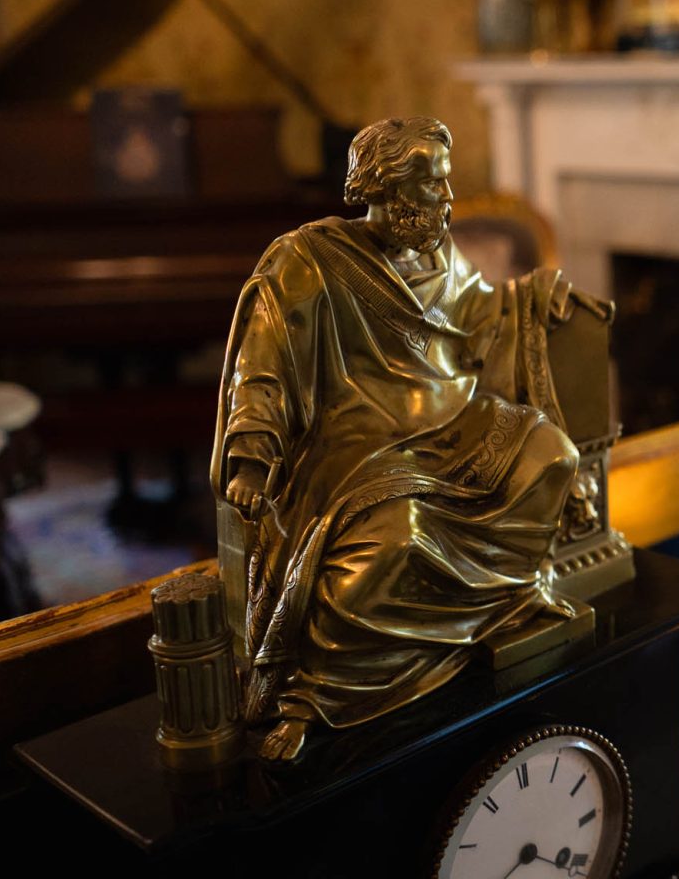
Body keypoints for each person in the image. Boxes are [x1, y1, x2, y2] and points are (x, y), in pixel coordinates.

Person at [212, 117, 607, 761]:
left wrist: (534, 296)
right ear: (385, 188)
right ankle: (316, 695)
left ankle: (505, 606)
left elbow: (484, 312)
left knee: (550, 456)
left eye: (446, 186)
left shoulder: (438, 254)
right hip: (361, 452)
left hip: (457, 420)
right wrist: (252, 460)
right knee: (391, 544)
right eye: (432, 188)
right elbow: (264, 365)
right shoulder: (307, 263)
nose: (448, 204)